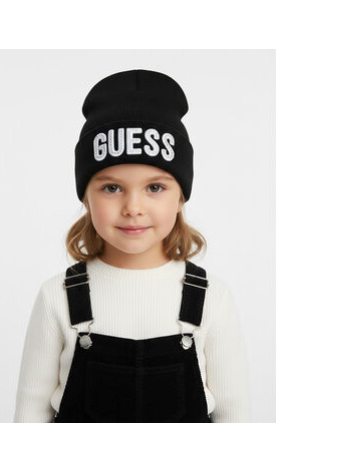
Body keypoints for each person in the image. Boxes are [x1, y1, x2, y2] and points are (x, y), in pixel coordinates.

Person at [13, 69, 252, 423]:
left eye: (155, 187)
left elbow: (235, 417)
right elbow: (30, 415)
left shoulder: (212, 298)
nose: (133, 207)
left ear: (181, 197)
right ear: (86, 197)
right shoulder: (57, 297)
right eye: (111, 188)